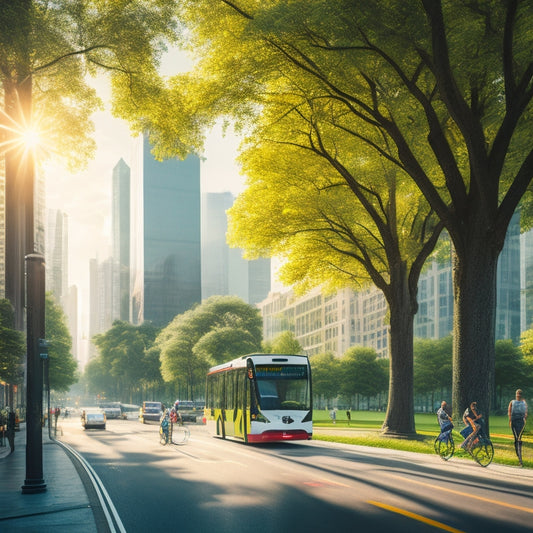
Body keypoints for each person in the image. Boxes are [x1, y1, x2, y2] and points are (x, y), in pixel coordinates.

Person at [508, 389, 528, 467]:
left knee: (519, 439)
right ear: (516, 394)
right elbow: (509, 411)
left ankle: (520, 460)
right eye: (517, 394)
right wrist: (510, 420)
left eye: (520, 394)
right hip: (514, 421)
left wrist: (525, 418)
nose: (518, 395)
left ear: (521, 395)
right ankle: (519, 456)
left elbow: (526, 412)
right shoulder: (512, 402)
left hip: (521, 422)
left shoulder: (524, 403)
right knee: (516, 439)